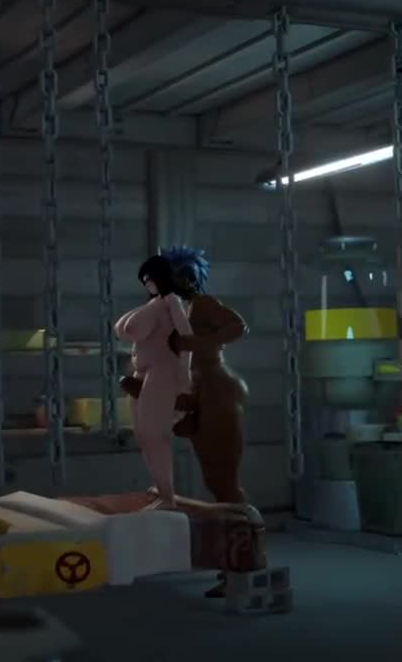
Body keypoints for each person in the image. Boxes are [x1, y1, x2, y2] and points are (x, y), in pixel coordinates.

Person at [119, 246, 251, 597]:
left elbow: (238, 326)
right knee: (209, 476)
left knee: (222, 480)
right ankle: (232, 561)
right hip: (186, 391)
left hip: (214, 390)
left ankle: (244, 561)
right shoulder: (166, 308)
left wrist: (194, 341)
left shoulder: (202, 305)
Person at [113, 255, 193, 510]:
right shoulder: (157, 304)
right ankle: (162, 487)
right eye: (144, 280)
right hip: (147, 372)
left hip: (162, 372)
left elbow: (184, 339)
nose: (147, 284)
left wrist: (183, 382)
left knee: (154, 434)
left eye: (149, 278)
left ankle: (167, 497)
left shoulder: (170, 303)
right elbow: (122, 329)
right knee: (143, 434)